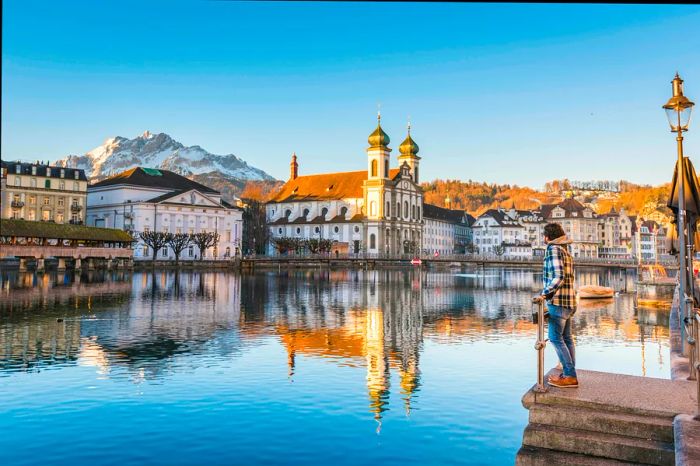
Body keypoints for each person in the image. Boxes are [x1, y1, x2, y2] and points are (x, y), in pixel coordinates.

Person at [533, 223, 578, 388]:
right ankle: (569, 372)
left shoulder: (553, 250)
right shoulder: (566, 251)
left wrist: (545, 293)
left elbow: (558, 277)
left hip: (558, 301)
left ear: (547, 237)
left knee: (554, 338)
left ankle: (570, 375)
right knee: (567, 338)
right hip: (570, 301)